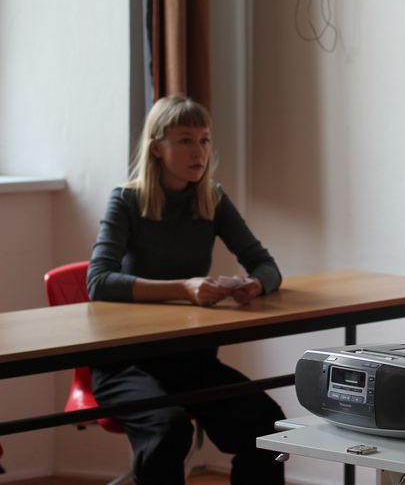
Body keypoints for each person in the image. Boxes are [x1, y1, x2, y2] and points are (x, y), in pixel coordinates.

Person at [87, 94, 285, 485]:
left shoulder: (212, 198)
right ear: (156, 148)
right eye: (185, 140)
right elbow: (99, 282)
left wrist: (255, 283)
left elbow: (266, 265)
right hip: (125, 363)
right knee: (169, 430)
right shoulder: (126, 201)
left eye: (205, 140)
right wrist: (184, 288)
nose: (199, 151)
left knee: (266, 423)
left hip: (189, 359)